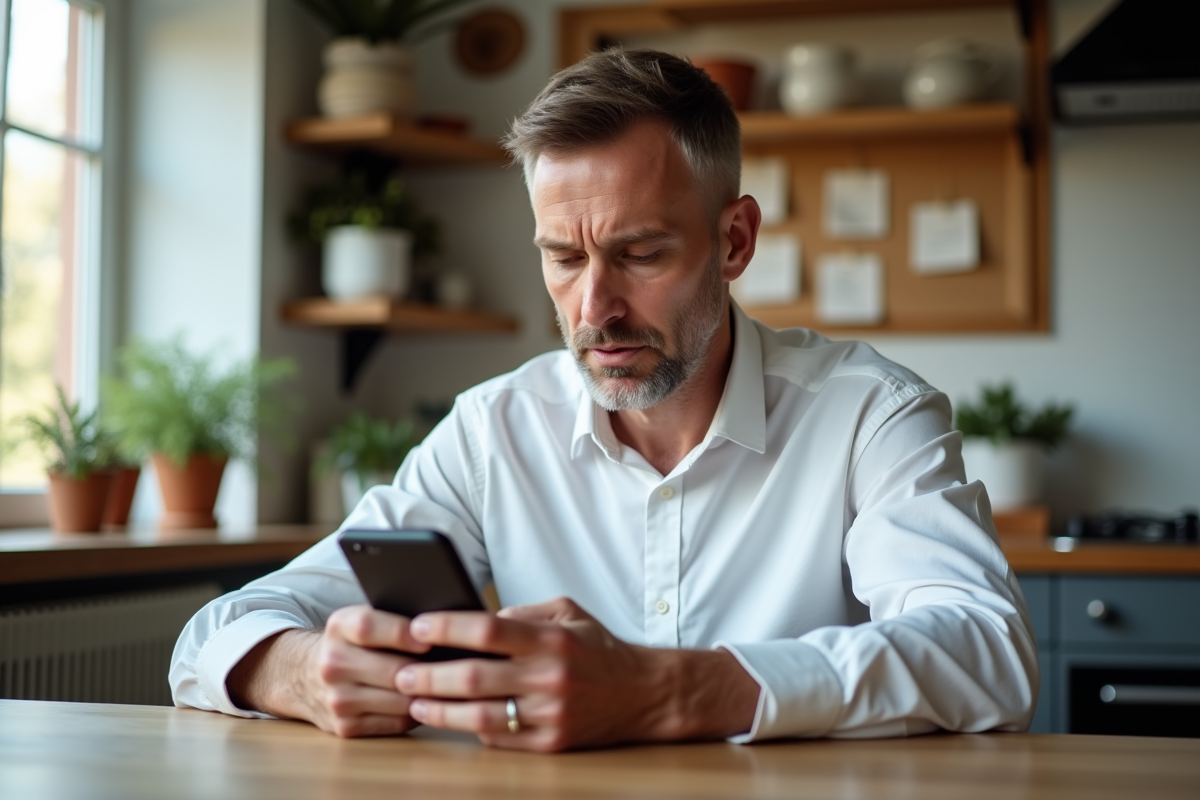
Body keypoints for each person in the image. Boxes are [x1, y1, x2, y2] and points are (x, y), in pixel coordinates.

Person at [170, 49, 1037, 752]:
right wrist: (303, 671)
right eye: (563, 257)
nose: (595, 310)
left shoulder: (871, 416)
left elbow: (987, 652)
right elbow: (218, 633)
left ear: (734, 241)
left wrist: (666, 692)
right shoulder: (493, 430)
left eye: (641, 254)